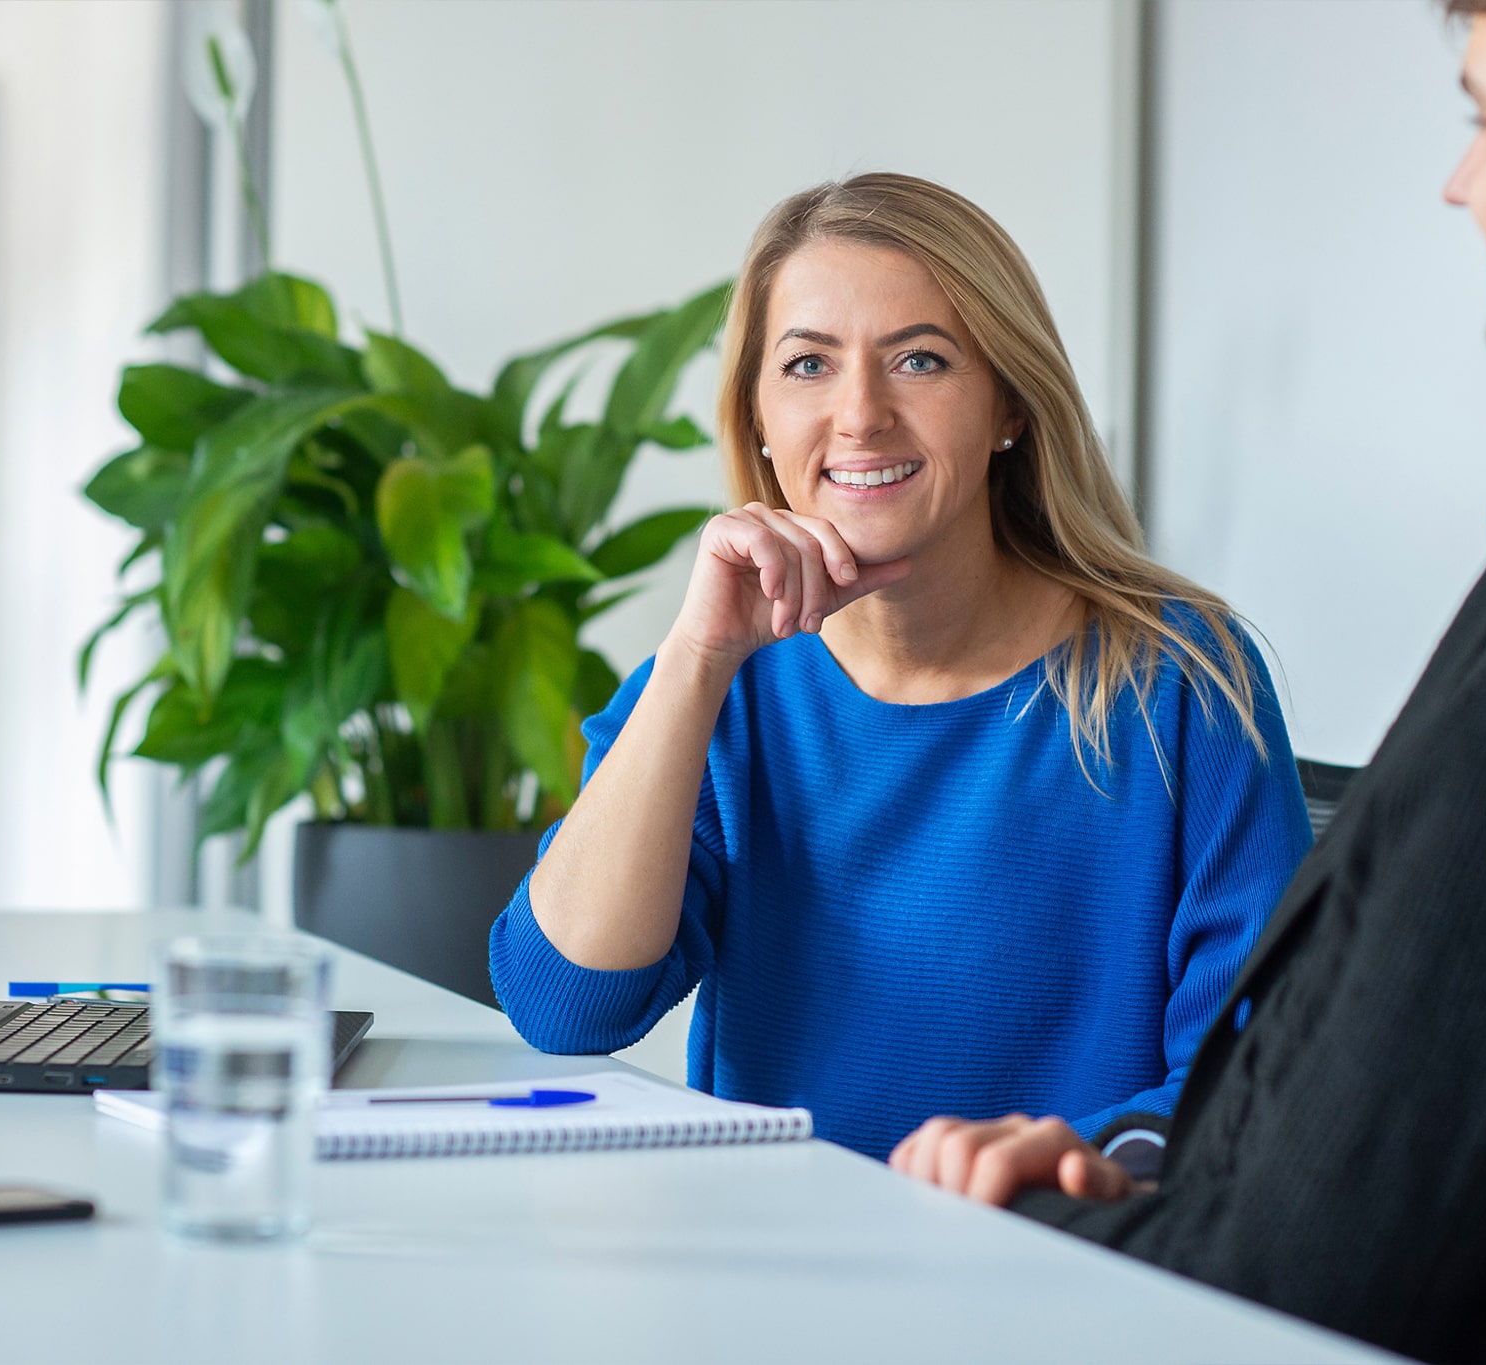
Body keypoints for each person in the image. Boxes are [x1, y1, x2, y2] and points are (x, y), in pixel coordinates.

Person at [886, 6, 1486, 1360]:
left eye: (1483, 117)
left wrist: (1022, 1233)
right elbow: (562, 999)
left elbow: (1355, 1260)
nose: (1459, 179)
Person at [488, 174, 1314, 1161]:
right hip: (787, 1277)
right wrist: (696, 660)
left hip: (1064, 1264)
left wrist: (1068, 1163)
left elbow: (1262, 1072)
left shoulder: (1181, 683)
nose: (859, 414)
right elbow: (566, 1005)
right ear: (754, 414)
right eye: (806, 366)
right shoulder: (727, 688)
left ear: (1008, 404)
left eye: (919, 360)